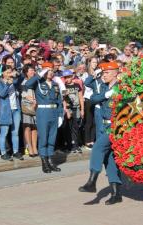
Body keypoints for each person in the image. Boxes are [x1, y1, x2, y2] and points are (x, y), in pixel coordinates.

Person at [79, 62, 122, 206]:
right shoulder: (104, 87)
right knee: (108, 159)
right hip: (103, 125)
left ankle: (92, 181)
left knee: (97, 147)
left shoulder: (122, 87)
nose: (104, 75)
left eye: (107, 73)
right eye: (103, 73)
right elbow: (93, 99)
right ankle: (116, 193)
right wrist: (106, 94)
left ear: (116, 73)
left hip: (115, 127)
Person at [25, 62, 63, 173]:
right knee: (43, 138)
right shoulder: (38, 82)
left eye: (52, 71)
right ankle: (44, 163)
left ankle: (51, 162)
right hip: (43, 111)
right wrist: (39, 75)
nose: (50, 73)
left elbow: (59, 101)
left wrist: (60, 115)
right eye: (48, 71)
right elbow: (27, 84)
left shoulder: (55, 84)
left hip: (53, 112)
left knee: (52, 138)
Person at [0, 65, 24, 161]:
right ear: (3, 73)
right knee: (4, 132)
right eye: (7, 73)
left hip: (16, 109)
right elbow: (2, 94)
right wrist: (8, 84)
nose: (9, 74)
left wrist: (17, 74)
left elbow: (22, 77)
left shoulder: (14, 82)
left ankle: (16, 152)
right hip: (5, 111)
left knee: (15, 132)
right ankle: (3, 153)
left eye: (10, 72)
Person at [62, 69, 84, 153]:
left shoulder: (77, 85)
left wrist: (82, 110)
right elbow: (63, 99)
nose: (67, 79)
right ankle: (69, 145)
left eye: (68, 77)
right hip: (68, 109)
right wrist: (66, 110)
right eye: (65, 78)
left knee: (76, 127)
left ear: (72, 76)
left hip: (77, 108)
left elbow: (81, 97)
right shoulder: (64, 86)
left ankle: (76, 145)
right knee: (68, 127)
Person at [21, 64, 38, 157]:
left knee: (35, 127)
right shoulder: (24, 82)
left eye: (33, 70)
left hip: (36, 106)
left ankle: (35, 147)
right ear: (26, 72)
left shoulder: (36, 81)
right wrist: (32, 100)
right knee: (27, 127)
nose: (32, 72)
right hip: (27, 106)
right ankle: (29, 147)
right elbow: (23, 94)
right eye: (30, 70)